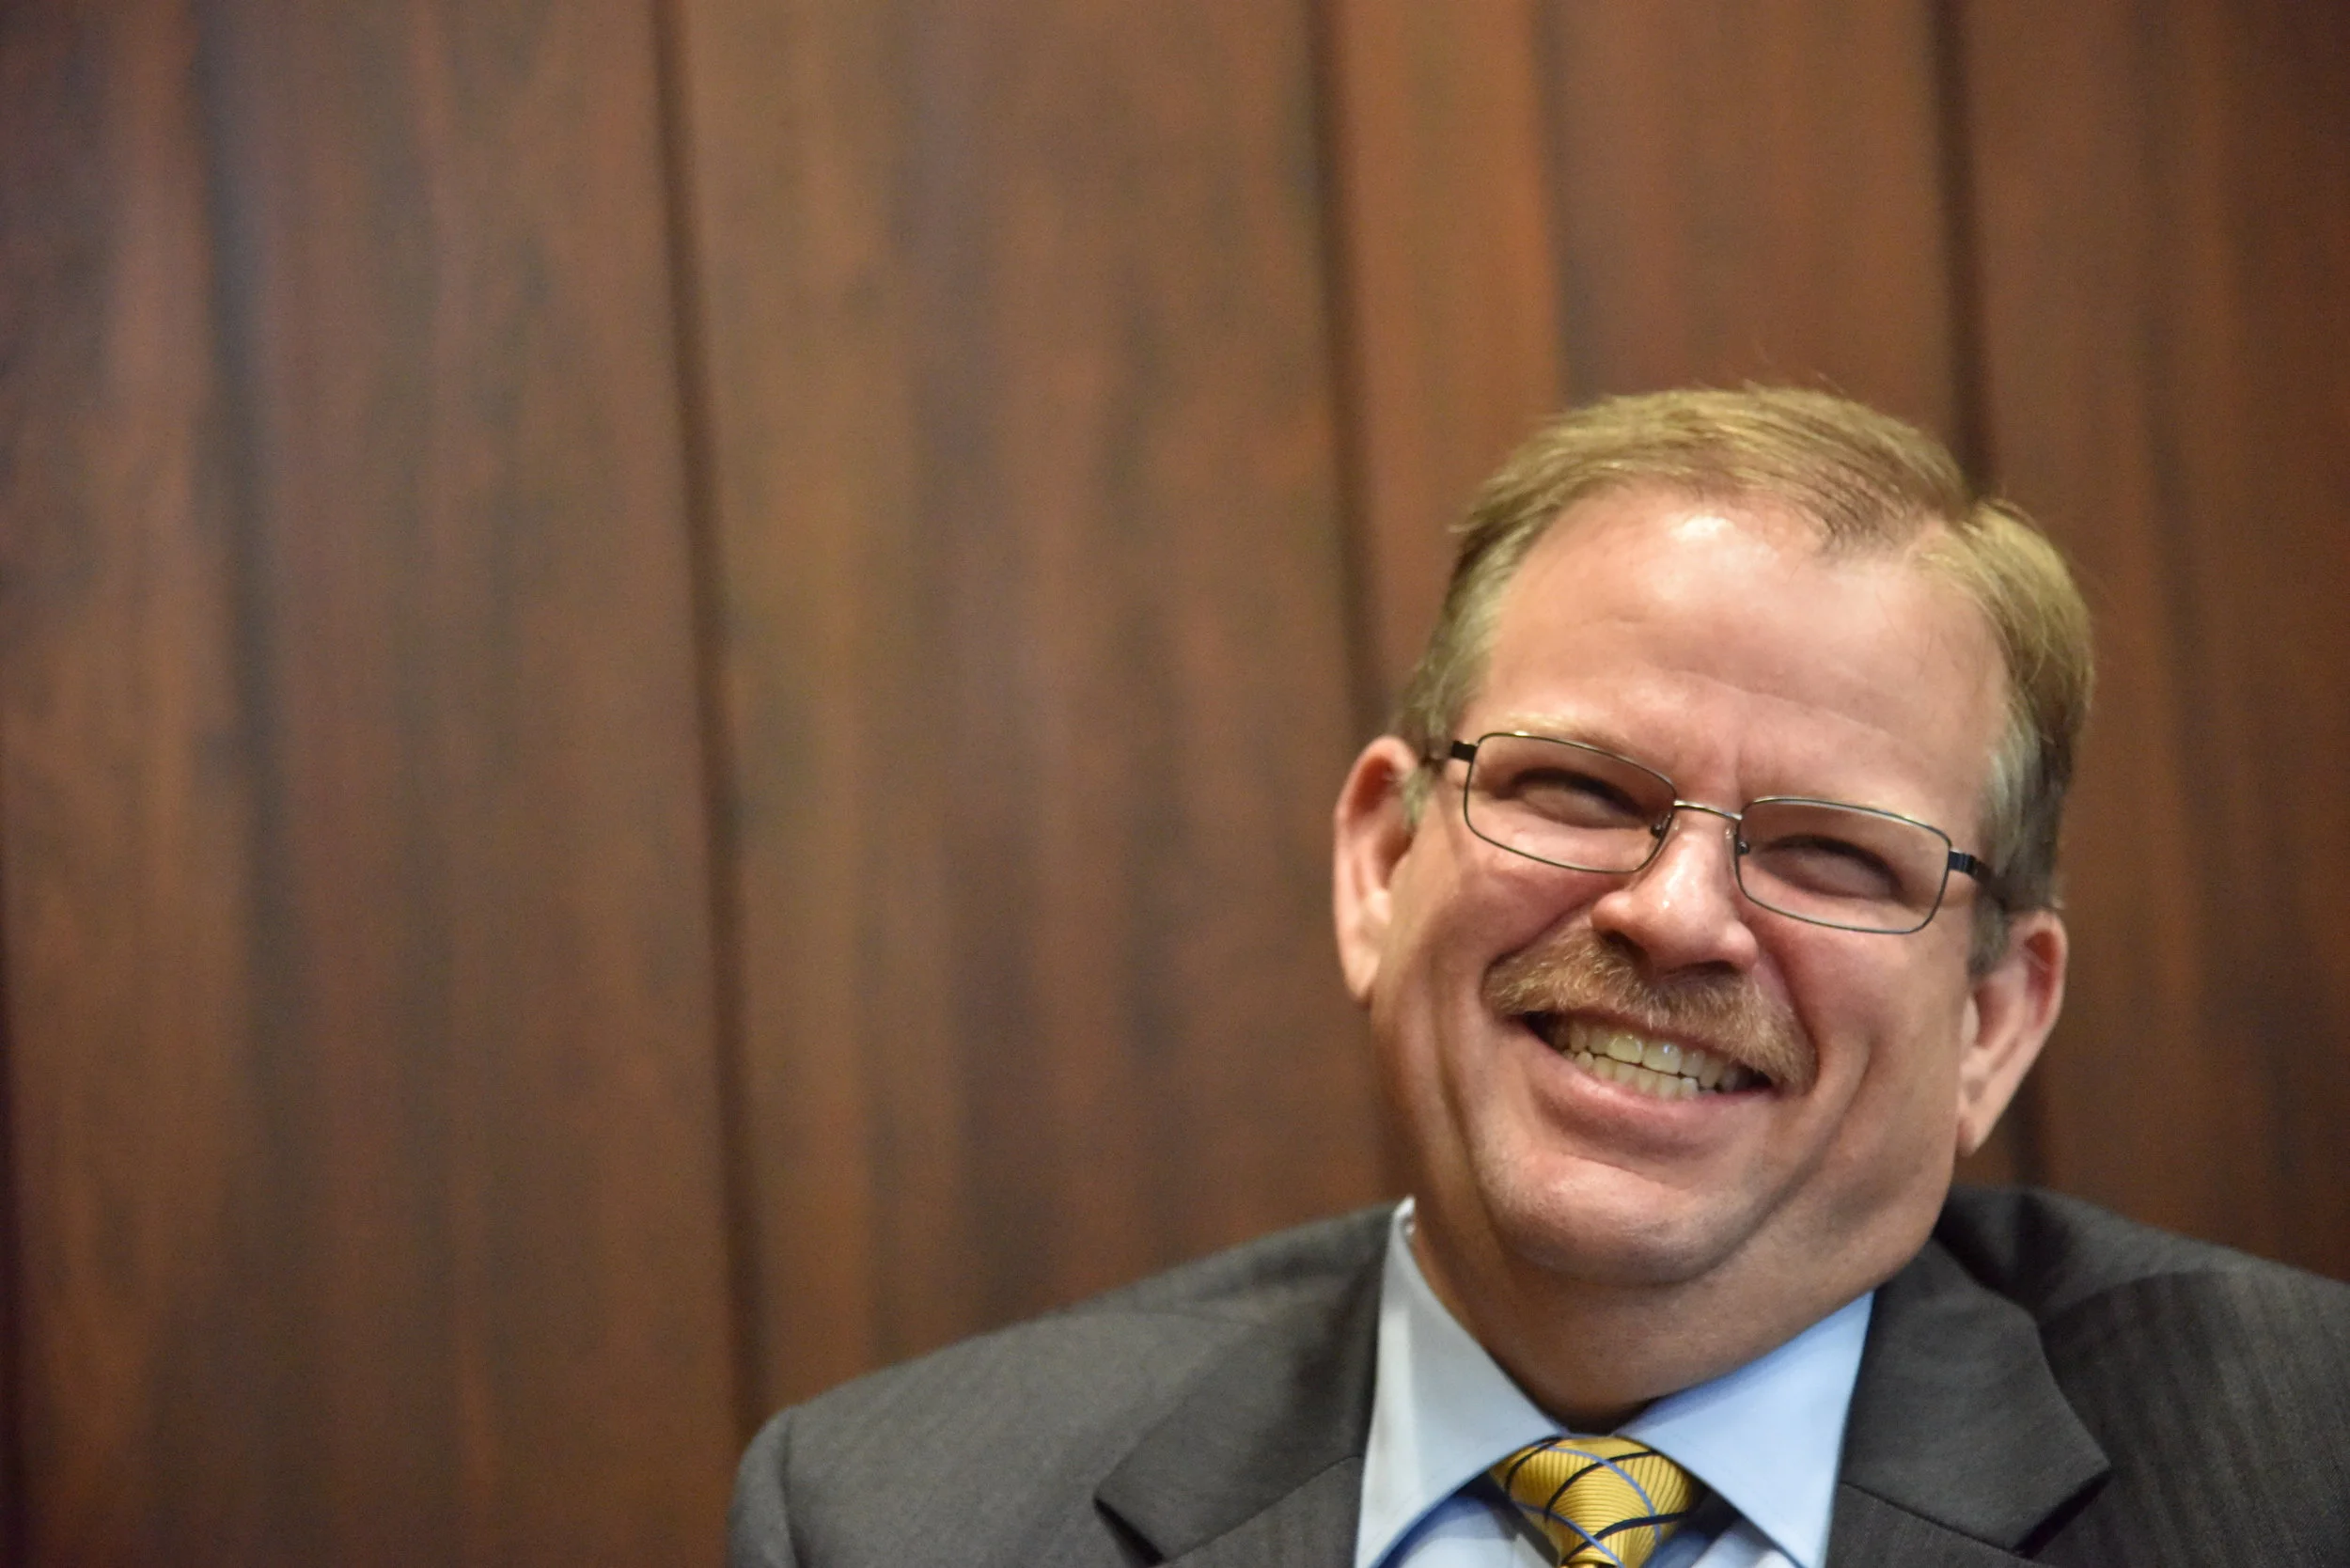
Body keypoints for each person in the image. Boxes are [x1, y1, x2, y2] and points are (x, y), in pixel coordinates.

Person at [729, 388, 2350, 1567]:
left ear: (1991, 1022)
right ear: (1382, 865)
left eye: (1831, 856)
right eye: (1576, 789)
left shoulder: (2300, 1469)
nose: (1678, 915)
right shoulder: (900, 1517)